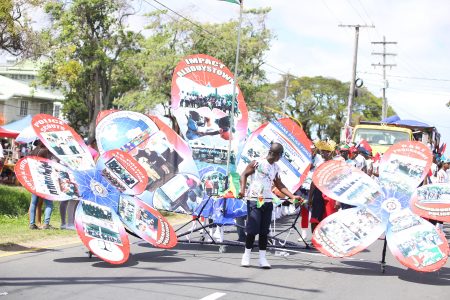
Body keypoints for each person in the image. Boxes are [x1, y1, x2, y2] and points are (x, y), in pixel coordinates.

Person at [238, 142, 301, 269]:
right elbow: (243, 174)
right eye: (281, 155)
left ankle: (262, 259)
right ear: (276, 154)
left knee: (264, 231)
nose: (280, 158)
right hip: (255, 200)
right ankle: (246, 256)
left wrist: (293, 196)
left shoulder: (276, 168)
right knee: (252, 230)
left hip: (268, 201)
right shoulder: (257, 163)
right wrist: (242, 190)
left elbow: (279, 184)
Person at [29, 140, 55, 230]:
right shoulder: (45, 151)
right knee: (49, 203)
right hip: (45, 179)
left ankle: (32, 224)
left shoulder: (34, 151)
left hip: (35, 178)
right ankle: (46, 224)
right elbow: (50, 165)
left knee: (33, 203)